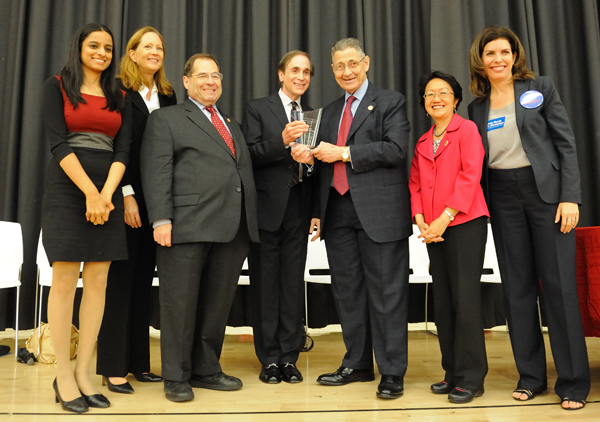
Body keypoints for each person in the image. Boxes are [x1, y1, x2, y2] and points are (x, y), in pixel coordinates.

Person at [467, 26, 590, 410]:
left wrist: (570, 197)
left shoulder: (541, 88)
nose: (498, 59)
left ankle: (572, 383)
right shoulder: (476, 106)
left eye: (505, 52)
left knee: (559, 289)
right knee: (517, 290)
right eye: (490, 54)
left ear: (515, 56)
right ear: (481, 60)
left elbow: (565, 145)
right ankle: (532, 377)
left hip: (547, 197)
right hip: (502, 196)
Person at [291, 38, 412, 400]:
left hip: (379, 213)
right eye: (339, 66)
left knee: (387, 294)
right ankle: (358, 363)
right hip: (337, 212)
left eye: (352, 64)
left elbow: (395, 150)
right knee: (348, 294)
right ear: (332, 70)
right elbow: (320, 167)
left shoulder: (391, 101)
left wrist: (343, 152)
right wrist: (308, 160)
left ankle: (391, 371)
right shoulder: (326, 113)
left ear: (366, 63)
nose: (346, 71)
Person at [140, 53, 259, 403]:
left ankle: (206, 368)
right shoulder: (167, 119)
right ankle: (175, 376)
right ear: (187, 81)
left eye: (216, 75)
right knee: (179, 304)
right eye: (202, 75)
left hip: (232, 227)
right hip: (186, 227)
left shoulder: (231, 123)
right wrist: (161, 220)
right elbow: (156, 171)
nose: (211, 81)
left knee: (216, 304)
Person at [41, 23, 131, 413]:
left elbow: (124, 150)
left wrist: (106, 194)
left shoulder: (120, 94)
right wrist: (89, 192)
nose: (102, 52)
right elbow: (58, 142)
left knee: (97, 281)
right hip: (67, 186)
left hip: (107, 189)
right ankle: (63, 377)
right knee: (64, 279)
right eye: (94, 45)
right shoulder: (57, 86)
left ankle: (84, 374)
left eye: (108, 48)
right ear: (80, 47)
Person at [96, 26, 177, 394]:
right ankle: (113, 367)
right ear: (131, 53)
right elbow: (118, 145)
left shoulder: (168, 94)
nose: (155, 52)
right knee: (121, 282)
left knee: (145, 281)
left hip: (159, 199)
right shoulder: (118, 91)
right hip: (126, 197)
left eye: (159, 47)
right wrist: (127, 193)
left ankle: (139, 364)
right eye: (147, 46)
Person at [409, 71, 489, 404]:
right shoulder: (423, 141)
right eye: (429, 94)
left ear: (456, 99)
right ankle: (452, 372)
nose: (436, 98)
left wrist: (443, 218)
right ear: (424, 103)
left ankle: (472, 378)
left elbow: (471, 175)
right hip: (433, 231)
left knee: (465, 301)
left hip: (464, 223)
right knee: (443, 303)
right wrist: (422, 222)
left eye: (443, 92)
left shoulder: (467, 129)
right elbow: (414, 185)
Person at [242, 50, 320, 384]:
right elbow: (248, 156)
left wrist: (316, 211)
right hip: (265, 211)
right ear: (280, 74)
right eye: (295, 71)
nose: (301, 77)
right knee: (265, 286)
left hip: (299, 211)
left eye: (306, 72)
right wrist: (282, 141)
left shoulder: (316, 115)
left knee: (291, 286)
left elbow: (319, 167)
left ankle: (289, 357)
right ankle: (269, 359)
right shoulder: (258, 108)